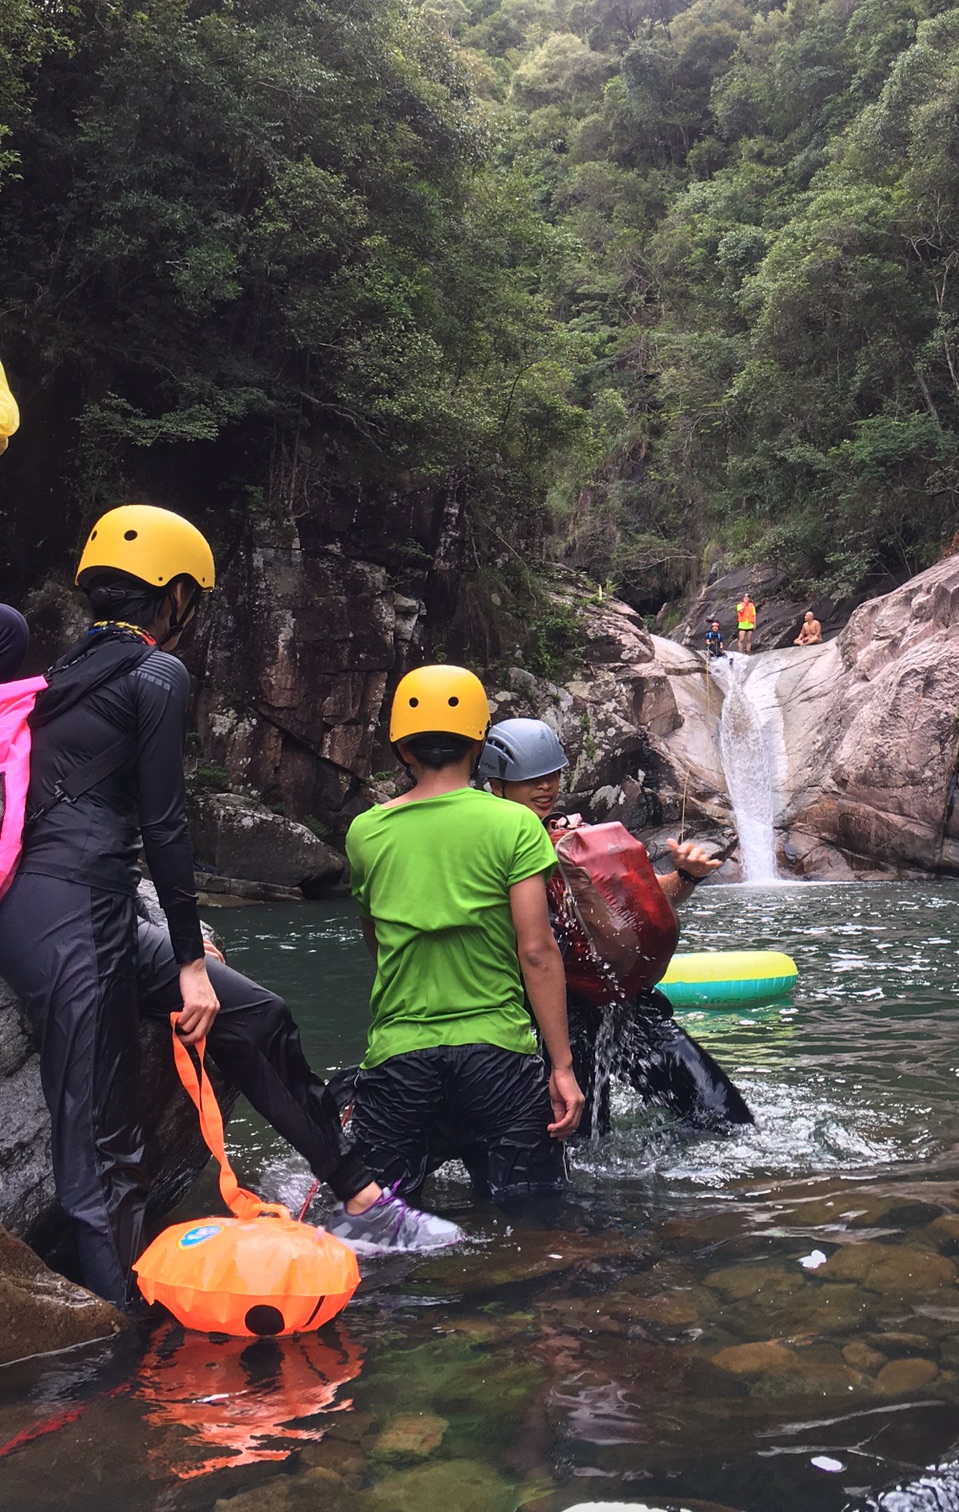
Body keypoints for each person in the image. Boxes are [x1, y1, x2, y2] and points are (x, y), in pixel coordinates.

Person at [0, 505, 438, 1309]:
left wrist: (176, 947)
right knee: (103, 1149)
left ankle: (364, 1200)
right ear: (175, 597)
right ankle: (131, 1349)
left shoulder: (64, 674)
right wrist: (191, 964)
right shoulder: (154, 674)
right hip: (65, 919)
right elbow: (166, 827)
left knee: (259, 1017)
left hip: (90, 911)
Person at [340, 669, 585, 1233]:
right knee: (537, 1225)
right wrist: (562, 1067)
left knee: (379, 1232)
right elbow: (538, 951)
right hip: (497, 1055)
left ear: (400, 746)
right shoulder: (514, 824)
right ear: (480, 744)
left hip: (400, 1060)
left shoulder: (365, 832)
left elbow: (376, 942)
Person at [482, 717, 753, 1136]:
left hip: (620, 1004)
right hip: (552, 1016)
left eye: (551, 774)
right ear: (496, 785)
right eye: (530, 779)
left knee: (728, 1120)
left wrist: (686, 877)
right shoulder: (487, 849)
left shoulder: (572, 838)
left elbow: (636, 903)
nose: (545, 786)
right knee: (585, 1140)